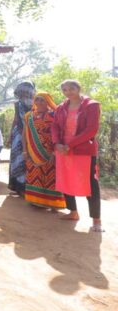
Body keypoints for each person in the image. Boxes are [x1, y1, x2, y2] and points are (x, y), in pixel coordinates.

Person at [52, 80, 103, 232]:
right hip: (63, 150)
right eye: (65, 90)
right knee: (65, 180)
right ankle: (73, 212)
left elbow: (91, 129)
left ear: (79, 89)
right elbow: (55, 126)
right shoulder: (61, 107)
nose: (68, 92)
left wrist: (70, 145)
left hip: (83, 150)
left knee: (90, 185)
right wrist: (57, 143)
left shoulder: (91, 105)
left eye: (71, 89)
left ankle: (96, 220)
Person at [22, 92, 66, 210]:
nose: (39, 102)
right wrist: (25, 151)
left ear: (48, 101)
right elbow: (24, 134)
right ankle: (35, 200)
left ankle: (52, 202)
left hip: (50, 152)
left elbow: (60, 134)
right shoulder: (28, 116)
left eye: (42, 100)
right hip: (32, 151)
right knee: (34, 175)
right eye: (37, 99)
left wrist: (55, 152)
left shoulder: (54, 115)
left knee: (51, 177)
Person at [9, 81, 36, 195]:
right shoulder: (17, 103)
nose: (24, 93)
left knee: (28, 159)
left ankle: (28, 186)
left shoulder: (36, 102)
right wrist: (11, 134)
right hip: (19, 134)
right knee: (18, 159)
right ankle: (19, 186)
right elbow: (16, 119)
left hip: (32, 133)